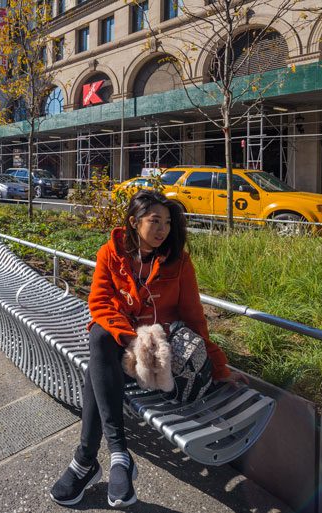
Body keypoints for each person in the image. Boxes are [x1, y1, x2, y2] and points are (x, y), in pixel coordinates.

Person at [49, 190, 246, 509]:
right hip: (124, 354)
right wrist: (131, 340)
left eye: (167, 222)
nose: (163, 229)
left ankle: (86, 461)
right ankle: (117, 455)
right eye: (155, 221)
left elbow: (195, 318)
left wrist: (219, 368)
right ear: (133, 222)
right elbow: (98, 304)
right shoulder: (110, 254)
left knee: (96, 368)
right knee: (101, 336)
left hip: (159, 362)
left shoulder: (178, 261)